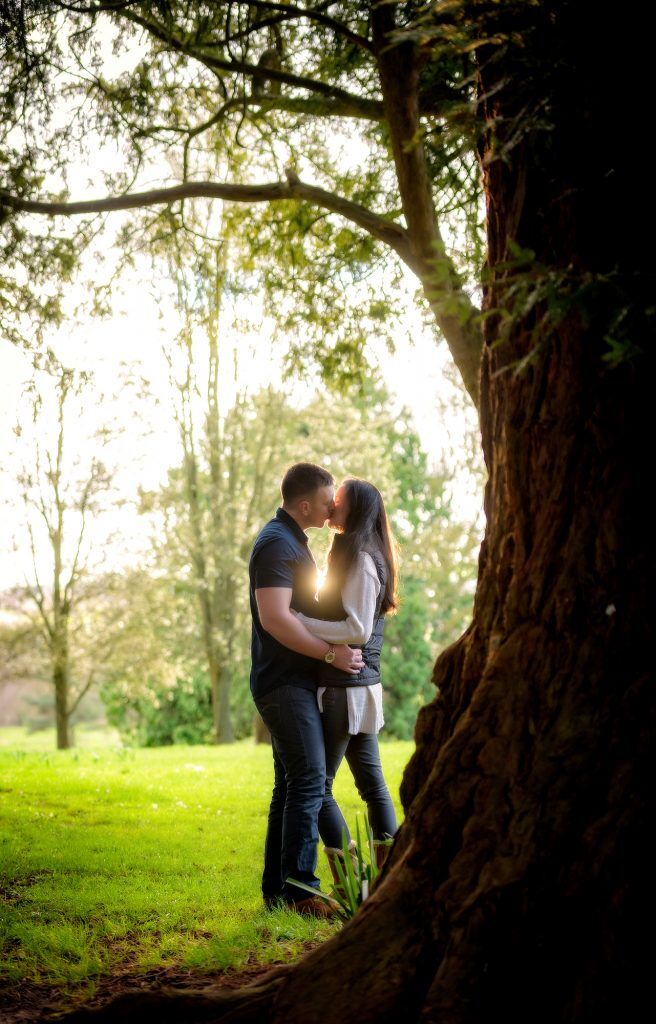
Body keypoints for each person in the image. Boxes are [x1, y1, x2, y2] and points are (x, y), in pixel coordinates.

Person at [249, 462, 364, 916]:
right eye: (325, 501)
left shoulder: (290, 540)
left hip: (289, 681)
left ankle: (278, 893)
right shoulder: (277, 545)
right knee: (311, 781)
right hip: (283, 683)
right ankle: (301, 893)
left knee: (290, 785)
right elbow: (275, 618)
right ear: (303, 505)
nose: (332, 506)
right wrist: (330, 654)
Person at [294, 477, 399, 886]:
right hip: (356, 689)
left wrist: (300, 622)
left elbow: (355, 628)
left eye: (338, 501)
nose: (331, 506)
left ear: (355, 510)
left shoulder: (361, 560)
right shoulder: (361, 553)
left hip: (344, 692)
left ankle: (349, 879)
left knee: (319, 788)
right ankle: (384, 879)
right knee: (372, 786)